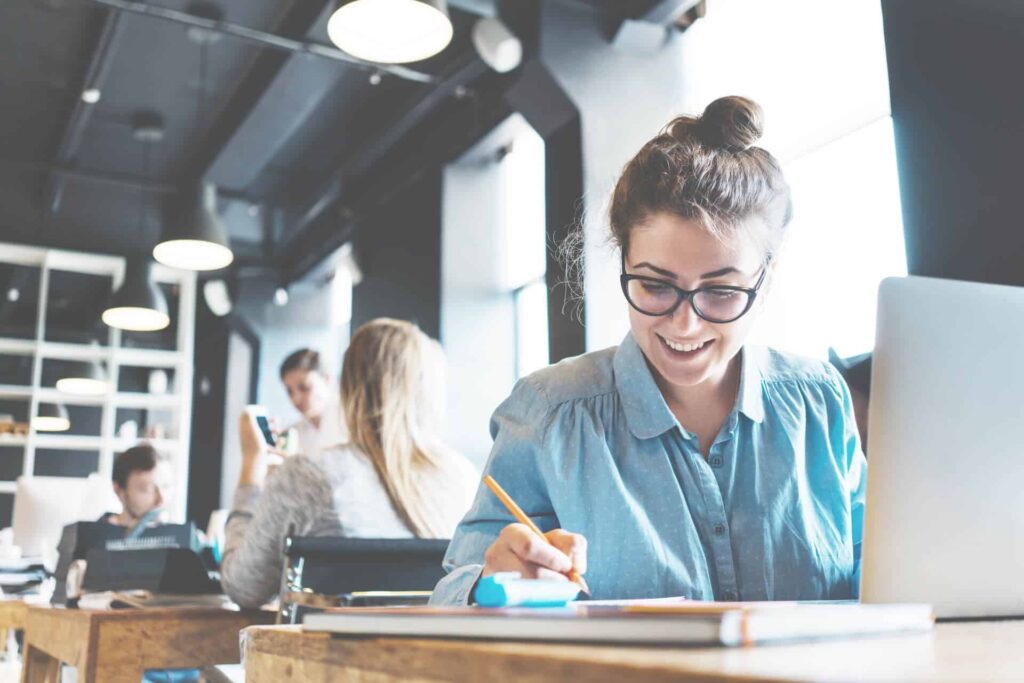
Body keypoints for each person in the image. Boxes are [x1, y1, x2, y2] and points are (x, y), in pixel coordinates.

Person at [432, 96, 867, 605]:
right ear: (624, 263)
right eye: (656, 286)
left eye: (721, 291)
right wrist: (491, 585)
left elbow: (877, 573)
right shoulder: (549, 412)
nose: (685, 322)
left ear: (765, 283)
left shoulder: (820, 401)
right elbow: (449, 593)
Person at [221, 318, 479, 608]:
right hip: (439, 651)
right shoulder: (464, 478)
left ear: (346, 386)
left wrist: (251, 467)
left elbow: (242, 587)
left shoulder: (309, 474)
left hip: (334, 653)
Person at [278, 348, 335, 455]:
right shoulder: (291, 436)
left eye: (304, 387)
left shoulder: (353, 426)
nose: (296, 399)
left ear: (327, 380)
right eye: (290, 391)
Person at [100, 444, 171, 530]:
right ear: (118, 490)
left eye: (166, 486)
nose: (161, 500)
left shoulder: (179, 539)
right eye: (149, 489)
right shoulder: (90, 539)